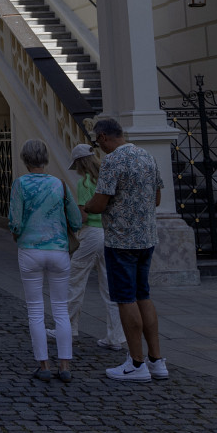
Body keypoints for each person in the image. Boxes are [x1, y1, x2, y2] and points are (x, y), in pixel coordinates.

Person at [82, 117, 168, 382]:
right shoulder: (147, 156)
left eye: (97, 142)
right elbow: (157, 198)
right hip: (146, 238)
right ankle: (156, 361)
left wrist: (86, 207)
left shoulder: (112, 161)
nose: (98, 147)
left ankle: (136, 363)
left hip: (121, 241)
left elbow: (100, 203)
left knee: (125, 299)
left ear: (104, 137)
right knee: (143, 296)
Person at [9, 138, 84, 382]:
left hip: (30, 250)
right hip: (58, 250)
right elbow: (76, 220)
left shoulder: (20, 184)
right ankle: (65, 365)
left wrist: (18, 234)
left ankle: (44, 365)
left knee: (35, 310)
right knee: (60, 308)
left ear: (25, 159)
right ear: (46, 158)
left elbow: (15, 222)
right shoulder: (59, 184)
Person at [67, 142, 126, 351]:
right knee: (110, 287)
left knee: (75, 280)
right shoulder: (108, 177)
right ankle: (115, 337)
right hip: (109, 233)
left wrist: (70, 218)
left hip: (91, 233)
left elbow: (84, 215)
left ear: (80, 164)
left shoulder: (84, 182)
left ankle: (68, 329)